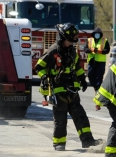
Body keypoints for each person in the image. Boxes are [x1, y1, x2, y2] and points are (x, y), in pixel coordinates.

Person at [35, 23, 102, 151]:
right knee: (60, 120)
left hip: (72, 91)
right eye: (68, 41)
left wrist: (82, 78)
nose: (70, 43)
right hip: (58, 92)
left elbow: (76, 67)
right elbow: (39, 67)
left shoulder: (72, 50)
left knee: (81, 116)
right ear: (61, 38)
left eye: (72, 41)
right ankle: (59, 143)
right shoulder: (52, 51)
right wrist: (44, 77)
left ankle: (87, 141)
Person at [84, 27, 110, 93]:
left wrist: (100, 51)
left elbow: (107, 50)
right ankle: (95, 87)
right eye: (96, 34)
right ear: (93, 34)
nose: (97, 35)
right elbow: (85, 49)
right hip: (91, 61)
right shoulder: (89, 40)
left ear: (100, 34)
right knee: (90, 75)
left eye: (98, 34)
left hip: (100, 62)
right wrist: (91, 50)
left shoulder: (105, 40)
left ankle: (98, 90)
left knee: (99, 77)